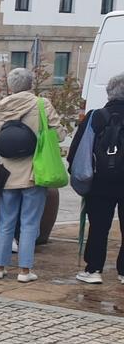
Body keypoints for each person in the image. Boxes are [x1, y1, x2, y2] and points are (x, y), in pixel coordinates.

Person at [0, 68, 59, 282]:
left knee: (5, 220)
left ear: (10, 86)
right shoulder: (42, 104)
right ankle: (25, 271)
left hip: (7, 174)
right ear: (31, 84)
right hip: (34, 173)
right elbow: (58, 133)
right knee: (29, 222)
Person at [68, 72, 124, 284]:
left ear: (109, 92)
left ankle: (94, 270)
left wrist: (82, 178)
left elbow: (77, 153)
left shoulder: (95, 117)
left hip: (100, 182)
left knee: (99, 226)